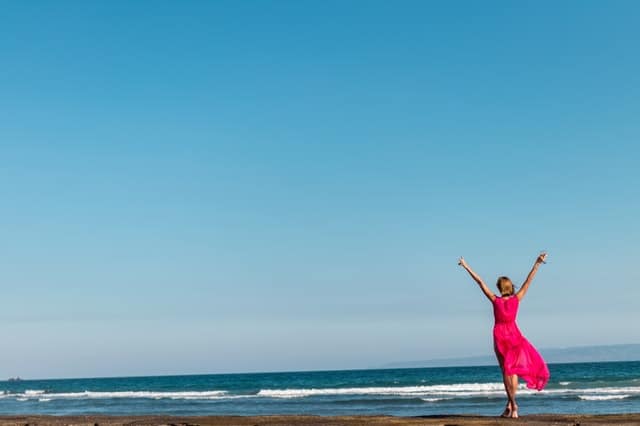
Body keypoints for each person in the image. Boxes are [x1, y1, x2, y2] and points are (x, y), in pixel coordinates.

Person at [458, 253, 550, 418]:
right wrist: (537, 263)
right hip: (514, 335)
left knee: (505, 372)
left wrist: (466, 267)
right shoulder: (517, 299)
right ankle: (510, 405)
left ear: (500, 288)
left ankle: (514, 405)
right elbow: (529, 281)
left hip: (500, 336)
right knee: (512, 371)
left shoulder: (495, 300)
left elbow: (480, 282)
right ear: (510, 287)